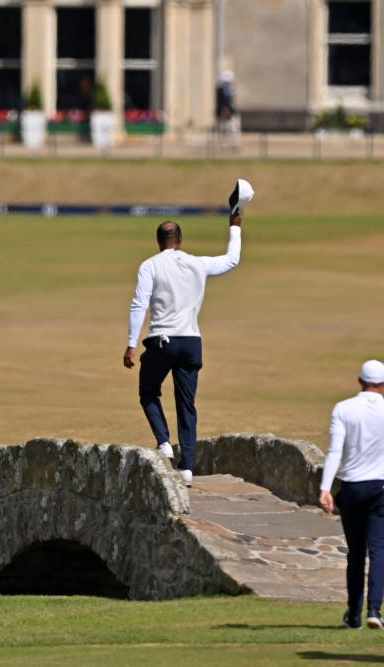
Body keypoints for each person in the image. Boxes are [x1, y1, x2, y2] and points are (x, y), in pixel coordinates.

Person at [123, 211, 243, 487]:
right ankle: (187, 468)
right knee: (186, 404)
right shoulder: (198, 263)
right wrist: (234, 227)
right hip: (191, 342)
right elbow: (231, 260)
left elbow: (139, 304)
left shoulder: (150, 265)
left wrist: (131, 344)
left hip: (161, 341)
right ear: (180, 239)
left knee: (148, 392)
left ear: (158, 241)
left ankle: (164, 442)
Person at [319, 359, 384, 631]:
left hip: (353, 488)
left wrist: (325, 487)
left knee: (356, 552)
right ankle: (374, 609)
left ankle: (353, 613)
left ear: (359, 381)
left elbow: (335, 450)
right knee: (380, 551)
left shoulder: (343, 409)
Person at [216, 70, 240, 151]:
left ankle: (235, 145)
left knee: (234, 130)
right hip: (224, 114)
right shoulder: (219, 89)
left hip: (232, 113)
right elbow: (220, 102)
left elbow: (232, 102)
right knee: (223, 131)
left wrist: (232, 112)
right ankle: (222, 146)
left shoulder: (232, 89)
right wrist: (221, 112)